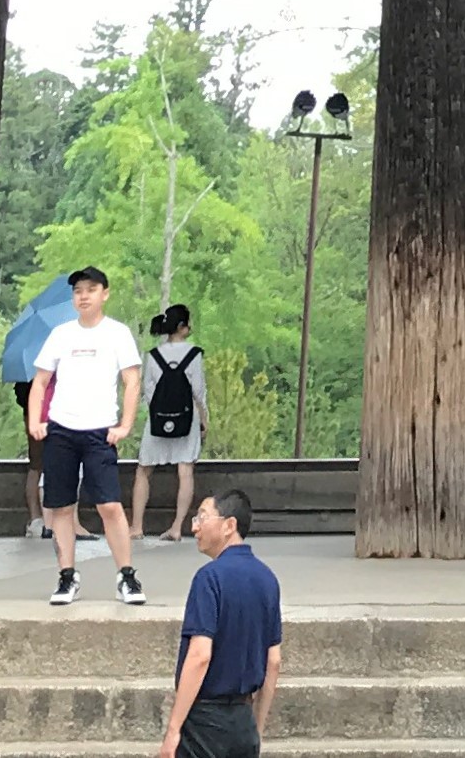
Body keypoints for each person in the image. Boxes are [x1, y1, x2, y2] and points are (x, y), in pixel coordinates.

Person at [24, 263, 145, 607]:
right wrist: (37, 420)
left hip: (99, 431)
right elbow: (41, 381)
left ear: (104, 294)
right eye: (78, 291)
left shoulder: (117, 333)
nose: (84, 296)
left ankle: (127, 575)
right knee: (61, 506)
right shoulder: (62, 334)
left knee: (109, 504)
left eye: (91, 290)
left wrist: (125, 424)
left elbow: (132, 380)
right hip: (61, 429)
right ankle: (67, 575)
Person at [156, 487, 282, 758]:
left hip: (204, 721)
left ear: (229, 525)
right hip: (242, 720)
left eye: (202, 517)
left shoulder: (209, 578)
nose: (195, 528)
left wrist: (174, 728)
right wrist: (256, 727)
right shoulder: (268, 579)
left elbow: (200, 655)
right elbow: (273, 661)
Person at [0, 276, 63, 541]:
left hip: (30, 414)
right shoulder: (54, 353)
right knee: (55, 465)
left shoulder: (26, 353)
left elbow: (20, 394)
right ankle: (54, 518)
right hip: (54, 414)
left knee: (35, 465)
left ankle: (35, 519)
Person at [140, 304, 208, 549]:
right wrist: (204, 417)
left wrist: (158, 412)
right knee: (185, 469)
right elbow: (199, 390)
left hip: (157, 418)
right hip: (186, 417)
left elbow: (148, 389)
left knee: (144, 469)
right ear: (182, 327)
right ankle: (177, 526)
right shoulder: (194, 354)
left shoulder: (153, 355)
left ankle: (137, 525)